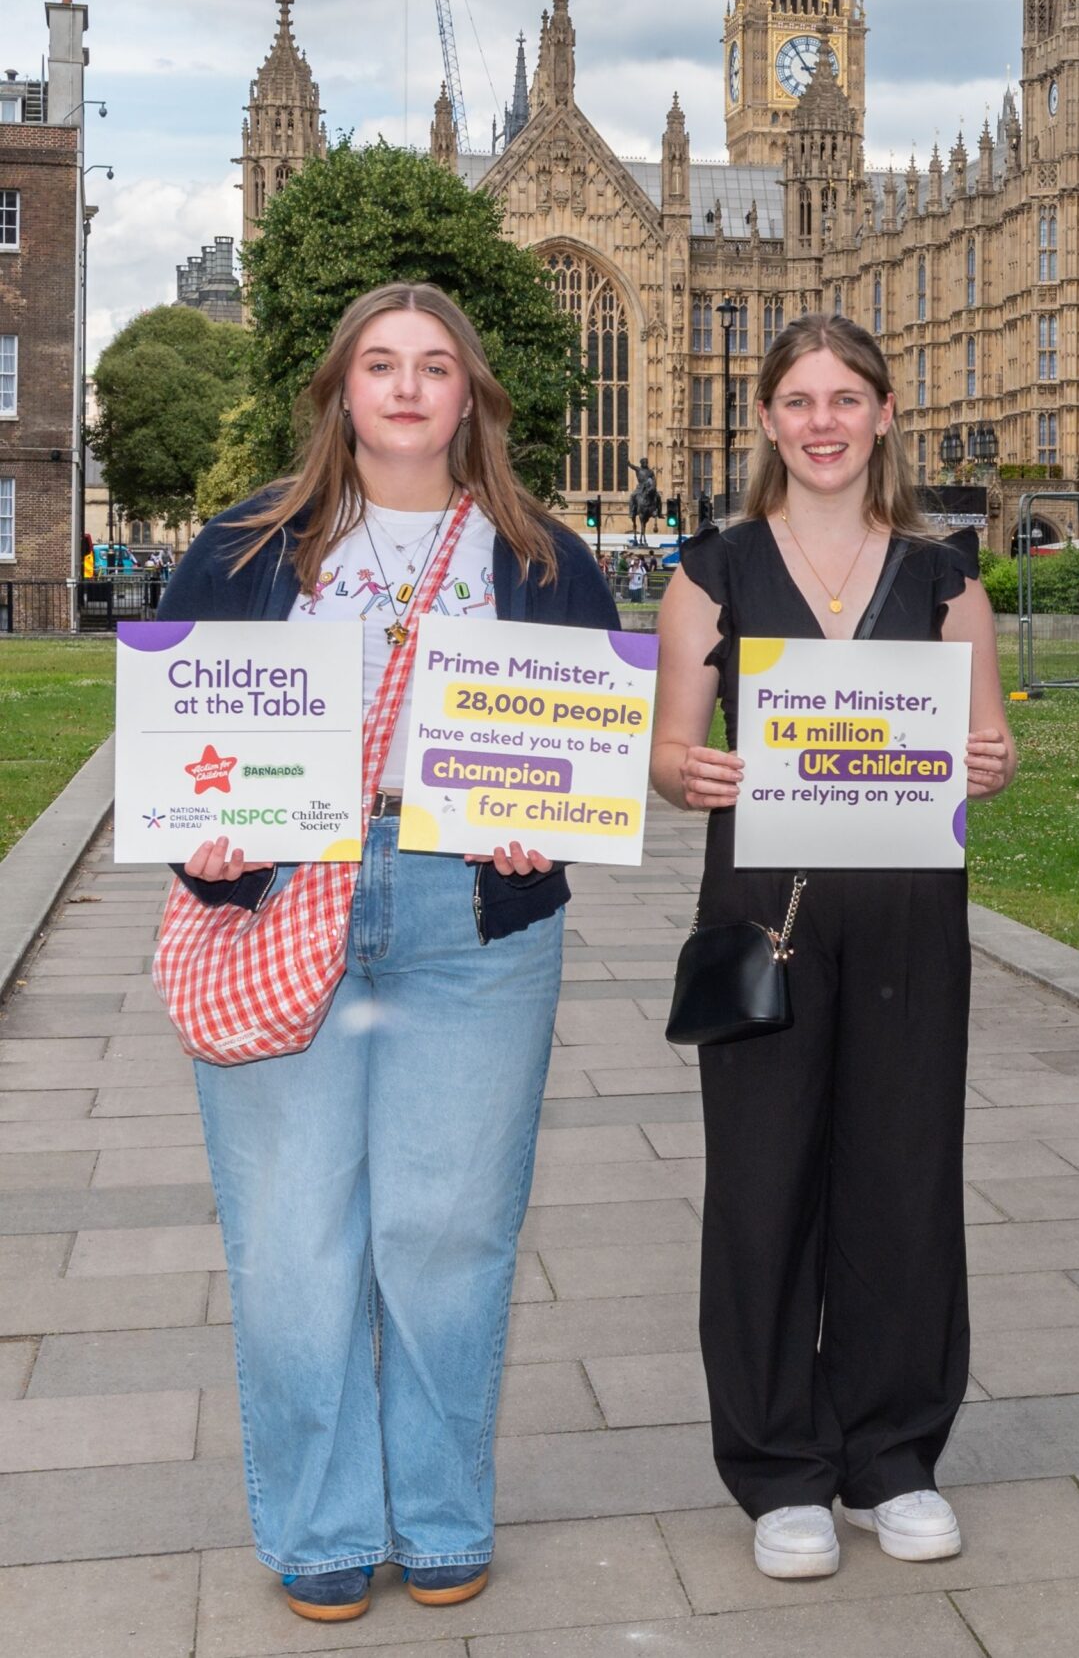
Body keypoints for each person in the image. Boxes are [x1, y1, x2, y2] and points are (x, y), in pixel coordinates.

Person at [157, 281, 618, 1622]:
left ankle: (439, 1510)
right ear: (340, 392)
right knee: (296, 1237)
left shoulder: (543, 554)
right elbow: (184, 740)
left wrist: (544, 829)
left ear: (471, 393)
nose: (408, 388)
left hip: (466, 916)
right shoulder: (249, 545)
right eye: (380, 365)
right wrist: (211, 844)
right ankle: (321, 1520)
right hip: (290, 891)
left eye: (434, 366)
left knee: (450, 1227)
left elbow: (575, 748)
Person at [650, 313, 1017, 1579]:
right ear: (766, 420)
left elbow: (985, 751)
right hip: (766, 913)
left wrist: (995, 759)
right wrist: (691, 772)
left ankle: (893, 1453)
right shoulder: (710, 571)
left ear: (883, 414)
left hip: (913, 912)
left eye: (844, 400)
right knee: (763, 1188)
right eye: (798, 401)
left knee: (903, 1176)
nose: (821, 423)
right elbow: (665, 758)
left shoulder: (945, 578)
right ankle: (779, 1467)